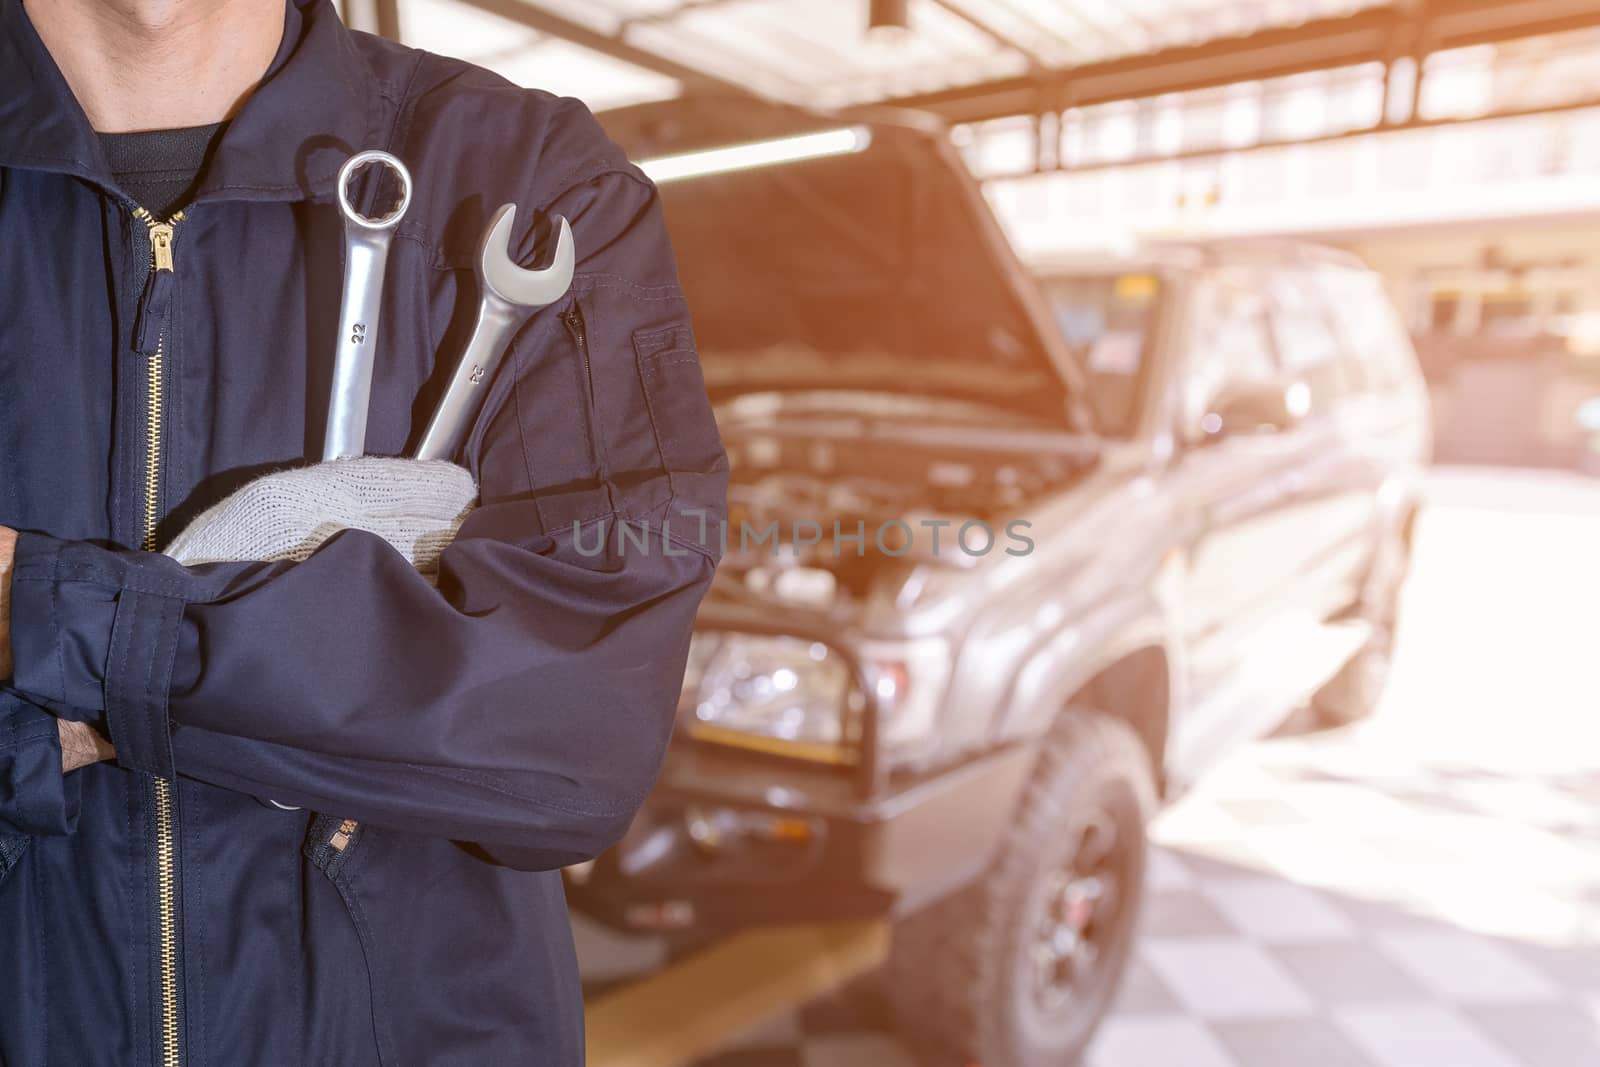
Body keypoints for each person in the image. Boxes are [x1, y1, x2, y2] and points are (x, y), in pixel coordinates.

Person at [0, 0, 727, 1063]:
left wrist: (53, 625)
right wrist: (286, 692)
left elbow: (567, 742)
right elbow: (474, 709)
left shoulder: (528, 175)